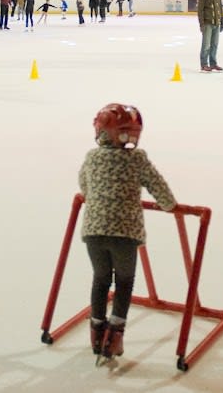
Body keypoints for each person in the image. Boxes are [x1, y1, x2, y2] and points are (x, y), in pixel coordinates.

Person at [79, 103, 176, 362]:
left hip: (94, 231)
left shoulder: (92, 157)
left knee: (100, 279)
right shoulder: (137, 158)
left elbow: (84, 185)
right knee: (124, 281)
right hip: (125, 234)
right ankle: (115, 336)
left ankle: (97, 331)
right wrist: (169, 206)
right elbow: (158, 185)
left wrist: (95, 195)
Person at [198, 0, 223, 72]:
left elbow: (220, 9)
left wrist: (222, 21)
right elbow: (200, 11)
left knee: (214, 44)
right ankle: (204, 64)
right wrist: (201, 24)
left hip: (216, 23)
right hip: (207, 24)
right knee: (206, 45)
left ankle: (213, 64)